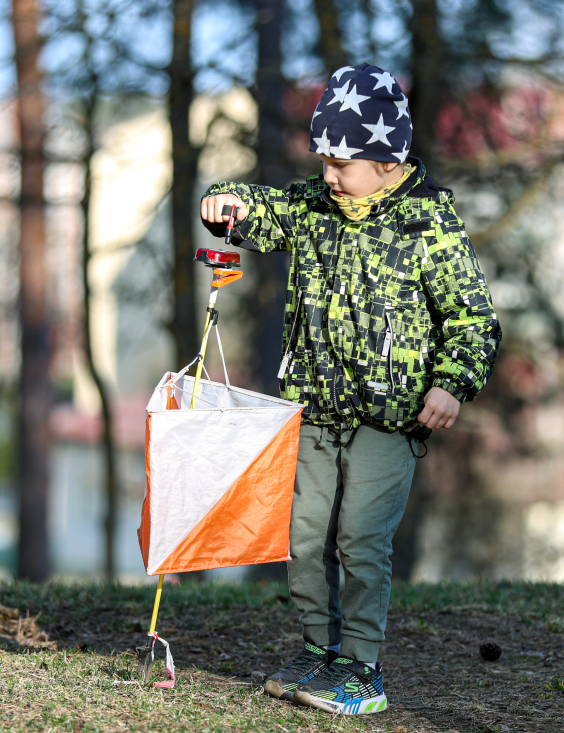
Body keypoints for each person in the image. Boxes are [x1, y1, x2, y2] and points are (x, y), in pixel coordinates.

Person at [199, 63, 501, 715]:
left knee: (361, 538)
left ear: (388, 160)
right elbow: (264, 211)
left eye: (342, 163)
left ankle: (362, 667)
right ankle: (320, 646)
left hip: (390, 417)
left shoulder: (428, 222)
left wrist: (451, 384)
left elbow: (473, 318)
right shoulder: (314, 207)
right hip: (316, 407)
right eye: (324, 160)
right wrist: (225, 203)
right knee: (305, 534)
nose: (329, 174)